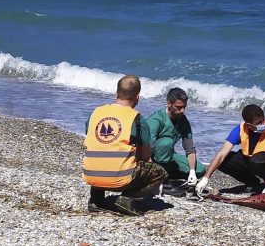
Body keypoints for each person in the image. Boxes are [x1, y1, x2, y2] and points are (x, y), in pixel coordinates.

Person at [83, 75, 168, 216]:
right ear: (137, 97)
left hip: (91, 175)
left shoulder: (96, 113)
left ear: (116, 93)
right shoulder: (137, 119)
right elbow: (145, 157)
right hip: (119, 179)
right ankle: (126, 198)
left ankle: (96, 199)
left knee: (102, 152)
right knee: (159, 171)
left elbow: (94, 140)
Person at [195, 104, 265, 195]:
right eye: (258, 123)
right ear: (248, 124)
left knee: (256, 161)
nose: (263, 124)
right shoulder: (241, 128)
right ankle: (252, 182)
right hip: (251, 159)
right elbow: (222, 154)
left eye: (263, 120)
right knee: (224, 160)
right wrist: (205, 178)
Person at [143, 87, 206, 194]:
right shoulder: (156, 120)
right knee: (167, 142)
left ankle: (167, 174)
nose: (182, 111)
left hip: (168, 155)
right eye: (179, 107)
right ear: (169, 104)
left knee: (200, 169)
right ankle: (159, 177)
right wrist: (153, 175)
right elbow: (145, 149)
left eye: (184, 107)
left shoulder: (183, 120)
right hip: (150, 157)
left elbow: (189, 149)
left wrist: (192, 172)